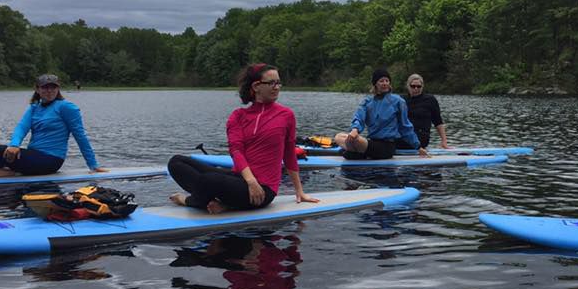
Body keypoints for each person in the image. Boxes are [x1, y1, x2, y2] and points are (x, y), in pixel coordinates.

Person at [168, 63, 317, 214]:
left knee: (210, 179)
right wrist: (250, 181)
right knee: (176, 162)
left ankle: (190, 201)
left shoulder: (286, 115)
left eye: (278, 82)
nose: (277, 87)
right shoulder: (238, 116)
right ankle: (223, 202)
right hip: (240, 180)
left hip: (263, 189)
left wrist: (299, 191)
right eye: (271, 83)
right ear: (256, 86)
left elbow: (289, 153)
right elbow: (236, 150)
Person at [0, 74, 108, 177]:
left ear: (58, 89)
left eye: (53, 87)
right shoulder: (34, 107)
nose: (49, 90)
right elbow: (22, 127)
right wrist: (14, 145)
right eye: (45, 87)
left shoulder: (66, 107)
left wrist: (93, 165)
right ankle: (0, 171)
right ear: (37, 89)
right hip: (34, 155)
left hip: (51, 160)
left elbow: (80, 136)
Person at [334, 68, 426, 159]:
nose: (385, 83)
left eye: (387, 81)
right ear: (375, 84)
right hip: (372, 142)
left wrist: (418, 147)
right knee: (338, 137)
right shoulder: (367, 102)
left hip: (387, 146)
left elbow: (405, 127)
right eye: (381, 81)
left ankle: (354, 152)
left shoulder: (398, 101)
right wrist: (355, 129)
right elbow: (359, 117)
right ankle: (356, 152)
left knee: (357, 140)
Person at [404, 73, 449, 149]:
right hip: (405, 135)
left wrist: (444, 141)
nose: (416, 89)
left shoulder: (430, 100)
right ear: (408, 86)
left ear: (422, 87)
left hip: (421, 137)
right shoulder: (401, 100)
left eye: (419, 86)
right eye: (413, 86)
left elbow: (438, 122)